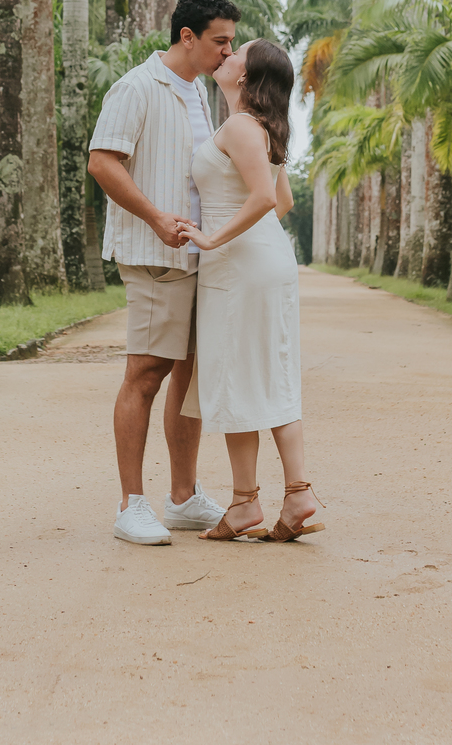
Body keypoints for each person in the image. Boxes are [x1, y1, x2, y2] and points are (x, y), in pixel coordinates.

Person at [87, 0, 241, 546]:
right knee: (146, 373)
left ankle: (182, 497)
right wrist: (154, 218)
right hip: (155, 256)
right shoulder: (136, 87)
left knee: (191, 376)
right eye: (220, 41)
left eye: (231, 42)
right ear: (187, 37)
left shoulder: (199, 92)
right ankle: (131, 504)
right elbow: (102, 162)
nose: (229, 51)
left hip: (202, 258)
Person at [180, 39, 324, 545]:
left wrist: (213, 235)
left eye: (236, 51)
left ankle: (263, 499)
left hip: (238, 265)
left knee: (242, 373)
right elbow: (280, 200)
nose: (227, 54)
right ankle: (267, 498)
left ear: (244, 77)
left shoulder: (242, 126)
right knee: (263, 372)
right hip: (260, 259)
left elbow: (265, 197)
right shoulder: (262, 129)